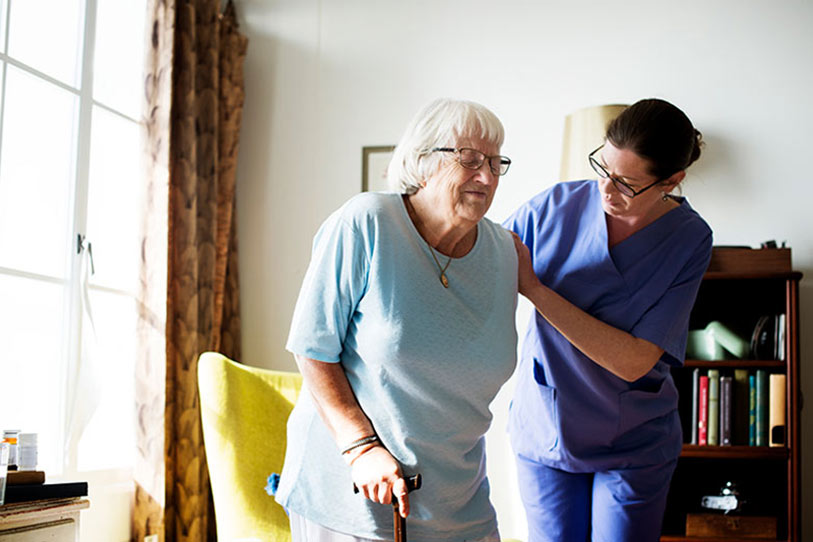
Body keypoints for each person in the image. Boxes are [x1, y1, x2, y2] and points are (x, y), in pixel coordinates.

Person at [276, 98, 518, 542]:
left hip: (461, 500)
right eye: (468, 159)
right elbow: (312, 347)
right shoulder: (367, 222)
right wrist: (360, 448)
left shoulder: (505, 251)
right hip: (357, 489)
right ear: (423, 161)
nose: (485, 176)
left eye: (495, 163)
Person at [503, 98, 713, 542]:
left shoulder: (690, 239)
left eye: (627, 183)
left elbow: (634, 360)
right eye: (602, 168)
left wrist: (538, 291)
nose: (605, 189)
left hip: (634, 442)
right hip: (547, 428)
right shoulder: (552, 207)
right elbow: (476, 270)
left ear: (671, 181)